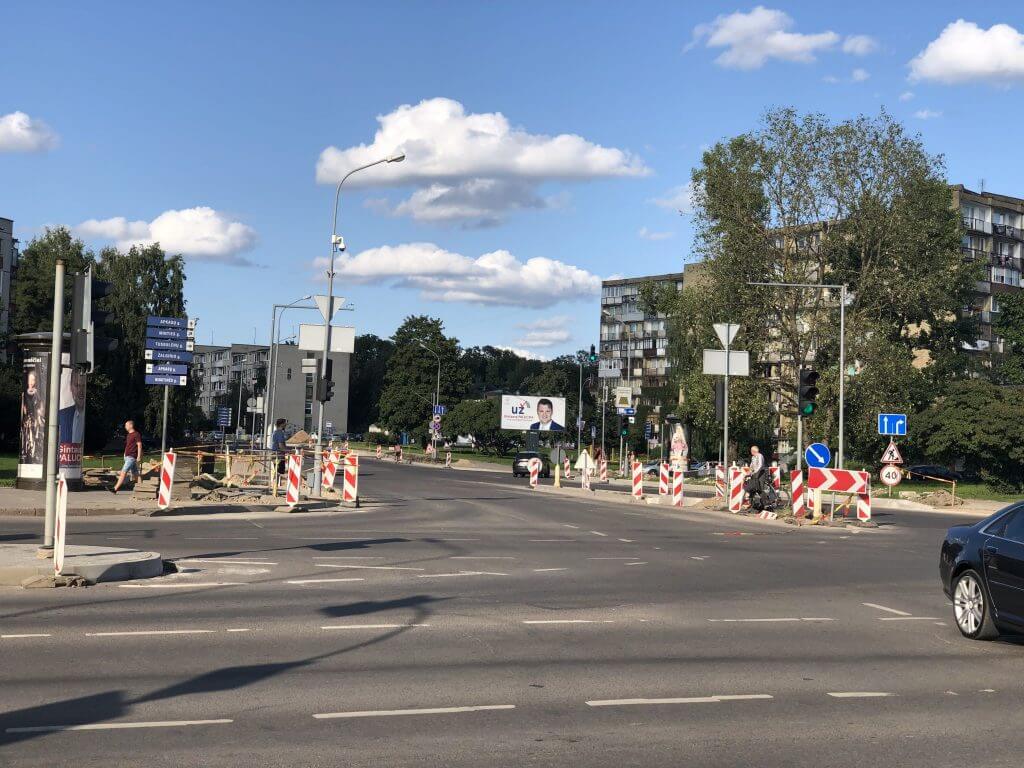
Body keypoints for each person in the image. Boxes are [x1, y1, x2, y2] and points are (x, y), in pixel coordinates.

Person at [112, 420, 143, 494]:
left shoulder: (136, 434)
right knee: (136, 474)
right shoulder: (128, 435)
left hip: (132, 457)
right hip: (127, 456)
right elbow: (128, 446)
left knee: (123, 472)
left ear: (131, 425)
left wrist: (139, 456)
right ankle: (142, 488)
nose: (125, 427)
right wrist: (124, 454)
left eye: (126, 425)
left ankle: (115, 488)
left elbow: (139, 445)